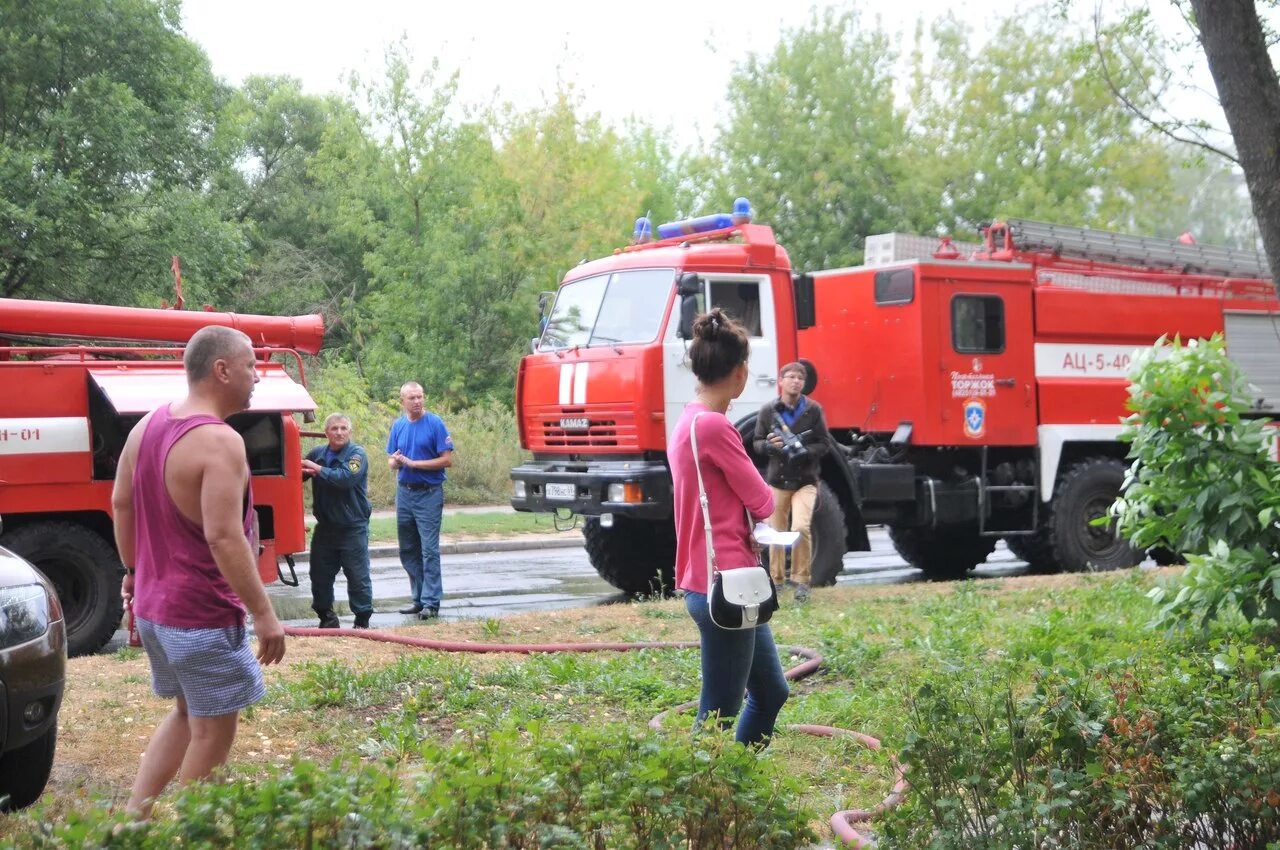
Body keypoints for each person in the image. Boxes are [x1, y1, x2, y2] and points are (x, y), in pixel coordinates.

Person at [111, 325, 286, 820]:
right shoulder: (220, 442)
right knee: (212, 729)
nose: (257, 377)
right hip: (201, 617)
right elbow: (224, 536)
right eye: (251, 365)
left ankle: (134, 818)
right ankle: (193, 832)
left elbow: (120, 502)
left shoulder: (145, 426)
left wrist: (132, 570)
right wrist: (264, 613)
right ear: (221, 369)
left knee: (188, 713)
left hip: (154, 612)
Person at [669, 308, 788, 747]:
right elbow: (762, 501)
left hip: (726, 582)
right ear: (739, 374)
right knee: (718, 714)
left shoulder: (687, 421)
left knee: (773, 691)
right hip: (725, 587)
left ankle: (739, 786)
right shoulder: (716, 427)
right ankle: (711, 800)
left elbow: (713, 504)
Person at [753, 362, 831, 603]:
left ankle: (802, 581)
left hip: (805, 481)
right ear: (781, 381)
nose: (795, 381)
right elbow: (756, 442)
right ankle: (776, 581)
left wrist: (804, 451)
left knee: (800, 528)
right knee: (775, 532)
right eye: (790, 377)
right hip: (777, 481)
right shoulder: (768, 410)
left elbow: (824, 443)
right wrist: (770, 447)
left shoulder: (813, 410)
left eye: (800, 378)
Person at [386, 381, 453, 620]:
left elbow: (446, 460)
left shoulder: (435, 423)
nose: (417, 401)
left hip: (429, 492)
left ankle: (431, 602)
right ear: (402, 401)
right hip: (404, 492)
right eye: (412, 398)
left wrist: (415, 464)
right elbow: (391, 459)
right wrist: (396, 461)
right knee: (408, 548)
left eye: (420, 397)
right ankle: (418, 598)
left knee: (429, 550)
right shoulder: (399, 425)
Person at [302, 413, 374, 629]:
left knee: (357, 576)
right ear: (326, 433)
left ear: (350, 432)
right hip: (325, 528)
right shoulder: (317, 453)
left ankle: (362, 621)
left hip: (353, 528)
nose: (339, 432)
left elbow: (345, 479)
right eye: (334, 428)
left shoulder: (357, 455)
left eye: (343, 428)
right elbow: (294, 473)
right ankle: (327, 618)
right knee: (319, 575)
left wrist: (314, 467)